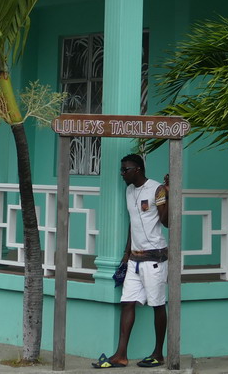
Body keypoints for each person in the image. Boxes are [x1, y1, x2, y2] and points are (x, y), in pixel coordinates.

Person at [94, 153, 169, 369]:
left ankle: (158, 353)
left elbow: (166, 222)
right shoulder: (129, 190)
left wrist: (169, 194)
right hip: (135, 259)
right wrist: (126, 253)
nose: (121, 174)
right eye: (121, 170)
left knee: (157, 305)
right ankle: (120, 355)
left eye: (125, 170)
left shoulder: (157, 189)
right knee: (127, 302)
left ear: (137, 169)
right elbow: (133, 223)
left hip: (154, 258)